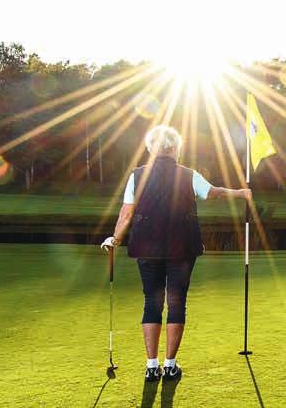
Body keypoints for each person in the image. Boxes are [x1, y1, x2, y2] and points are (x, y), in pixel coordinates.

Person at [101, 125, 251, 382]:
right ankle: (170, 365)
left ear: (152, 149)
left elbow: (126, 213)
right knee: (176, 302)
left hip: (147, 247)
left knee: (152, 302)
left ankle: (151, 366)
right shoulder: (188, 174)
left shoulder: (137, 176)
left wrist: (115, 238)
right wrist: (240, 193)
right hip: (182, 247)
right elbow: (212, 193)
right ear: (173, 148)